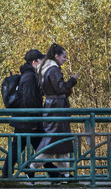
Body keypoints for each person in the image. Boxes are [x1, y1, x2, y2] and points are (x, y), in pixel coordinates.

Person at [32, 43, 77, 177]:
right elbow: (61, 88)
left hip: (52, 106)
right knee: (55, 140)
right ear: (56, 56)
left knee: (61, 139)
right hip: (57, 108)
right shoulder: (54, 69)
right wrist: (73, 81)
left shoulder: (44, 69)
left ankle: (65, 173)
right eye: (64, 57)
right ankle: (32, 166)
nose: (65, 60)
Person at [3, 49, 46, 178]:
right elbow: (29, 101)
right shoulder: (29, 77)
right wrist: (32, 122)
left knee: (41, 148)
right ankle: (7, 176)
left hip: (26, 121)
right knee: (39, 148)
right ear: (34, 62)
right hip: (27, 122)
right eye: (41, 61)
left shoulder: (29, 76)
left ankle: (8, 175)